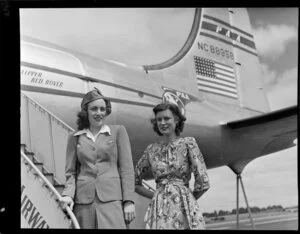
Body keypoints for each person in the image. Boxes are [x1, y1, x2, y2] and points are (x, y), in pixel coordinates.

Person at [60, 88, 136, 229]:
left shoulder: (118, 131)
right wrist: (68, 195)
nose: (99, 113)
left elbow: (127, 169)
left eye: (102, 109)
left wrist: (129, 201)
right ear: (85, 112)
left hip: (112, 201)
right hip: (83, 203)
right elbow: (71, 172)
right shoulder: (74, 137)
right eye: (94, 109)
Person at [135, 102, 210, 229]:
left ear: (176, 120)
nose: (162, 123)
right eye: (159, 119)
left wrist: (188, 198)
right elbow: (134, 181)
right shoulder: (151, 150)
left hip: (186, 210)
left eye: (166, 118)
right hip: (159, 211)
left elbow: (203, 182)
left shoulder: (188, 144)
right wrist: (156, 196)